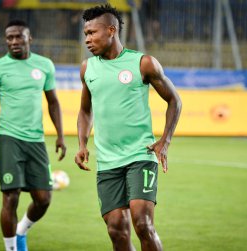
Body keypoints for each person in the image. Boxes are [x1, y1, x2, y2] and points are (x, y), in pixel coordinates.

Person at [74, 4, 181, 251]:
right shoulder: (87, 68)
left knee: (142, 224)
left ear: (111, 30)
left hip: (139, 155)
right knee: (116, 230)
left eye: (92, 33)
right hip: (108, 161)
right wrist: (82, 144)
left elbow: (175, 100)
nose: (88, 39)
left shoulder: (143, 63)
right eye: (85, 34)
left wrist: (164, 141)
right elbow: (85, 110)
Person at [0, 19, 66, 251]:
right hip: (9, 140)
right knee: (11, 197)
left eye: (19, 36)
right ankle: (10, 248)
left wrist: (60, 135)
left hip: (36, 141)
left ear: (30, 39)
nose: (14, 41)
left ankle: (22, 229)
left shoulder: (45, 65)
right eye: (9, 38)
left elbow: (54, 103)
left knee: (43, 199)